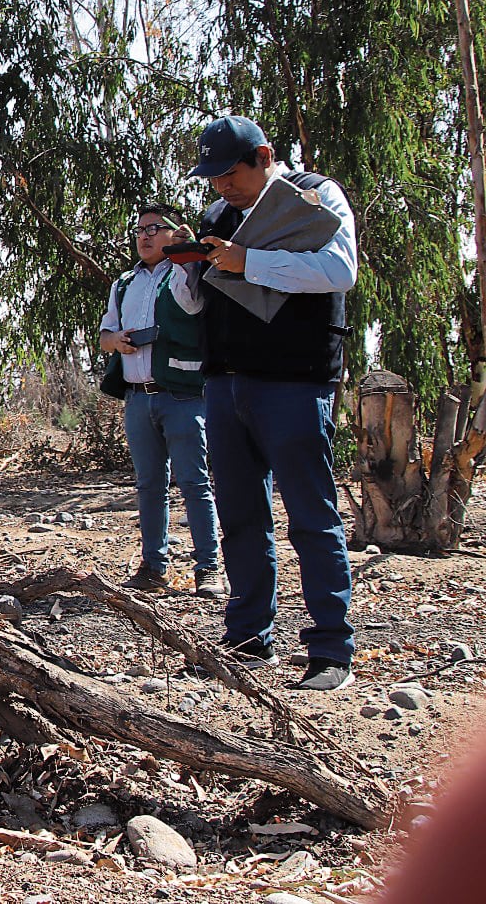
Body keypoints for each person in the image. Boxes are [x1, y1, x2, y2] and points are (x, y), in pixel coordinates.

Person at [189, 115, 358, 692]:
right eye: (212, 177)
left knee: (311, 517)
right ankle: (246, 639)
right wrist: (188, 268)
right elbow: (199, 305)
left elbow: (340, 270)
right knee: (239, 518)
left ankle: (330, 651)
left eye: (230, 173)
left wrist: (249, 262)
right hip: (225, 383)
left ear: (265, 155)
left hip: (294, 382)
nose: (221, 187)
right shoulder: (217, 216)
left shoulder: (316, 195)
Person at [98, 204, 226, 599]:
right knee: (150, 485)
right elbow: (105, 334)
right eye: (139, 229)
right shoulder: (124, 283)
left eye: (155, 228)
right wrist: (116, 341)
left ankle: (209, 568)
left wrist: (188, 257)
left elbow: (193, 307)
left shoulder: (187, 272)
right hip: (138, 399)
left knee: (194, 483)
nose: (145, 236)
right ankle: (154, 566)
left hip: (183, 397)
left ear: (175, 232)